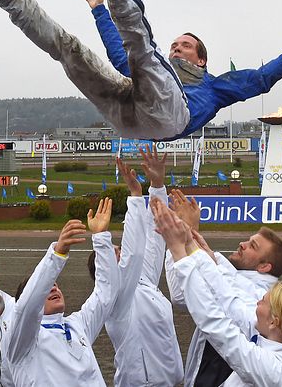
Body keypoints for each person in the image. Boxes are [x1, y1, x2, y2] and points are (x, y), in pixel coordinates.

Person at [0, 0, 282, 141]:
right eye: (176, 44)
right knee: (69, 51)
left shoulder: (216, 88)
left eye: (184, 45)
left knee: (146, 54)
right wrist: (98, 11)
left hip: (172, 118)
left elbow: (265, 78)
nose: (177, 47)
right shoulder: (157, 66)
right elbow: (122, 54)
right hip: (130, 115)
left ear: (200, 59)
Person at [153, 199, 282, 386]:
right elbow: (229, 298)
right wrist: (192, 246)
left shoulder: (275, 370)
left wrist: (178, 251)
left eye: (262, 301)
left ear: (275, 321)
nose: (257, 302)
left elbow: (214, 322)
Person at [86, 148, 184, 386]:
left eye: (117, 248)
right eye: (114, 253)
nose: (119, 251)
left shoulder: (145, 281)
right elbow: (134, 251)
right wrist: (134, 196)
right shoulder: (115, 299)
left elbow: (153, 236)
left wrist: (157, 185)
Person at [6, 201, 119, 386]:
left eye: (56, 285)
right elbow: (27, 306)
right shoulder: (22, 340)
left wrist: (101, 237)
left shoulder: (78, 325)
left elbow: (106, 293)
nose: (54, 288)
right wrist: (56, 255)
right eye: (48, 287)